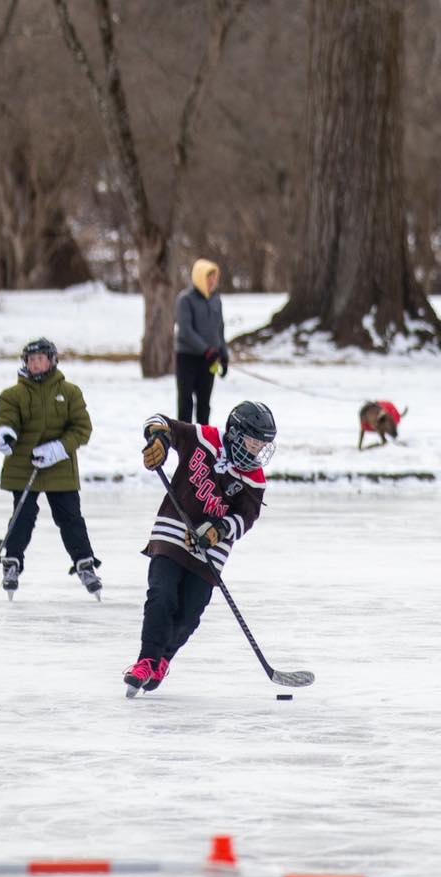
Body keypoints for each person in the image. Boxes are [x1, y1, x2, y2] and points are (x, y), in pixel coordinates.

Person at [123, 400, 277, 696]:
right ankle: (145, 660)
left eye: (261, 445)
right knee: (161, 596)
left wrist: (219, 531)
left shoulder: (254, 479)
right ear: (234, 432)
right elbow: (161, 421)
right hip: (172, 534)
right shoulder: (203, 438)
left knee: (189, 613)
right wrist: (159, 439)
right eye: (252, 440)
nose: (256, 449)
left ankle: (163, 659)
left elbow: (246, 518)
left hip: (210, 554)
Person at [0, 337, 102, 598]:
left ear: (51, 361)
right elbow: (6, 420)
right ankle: (12, 562)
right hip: (24, 465)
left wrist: (58, 449)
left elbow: (82, 429)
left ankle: (84, 562)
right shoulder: (12, 395)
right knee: (22, 516)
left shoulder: (70, 392)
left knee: (70, 517)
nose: (36, 364)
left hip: (59, 467)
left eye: (41, 359)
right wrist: (4, 434)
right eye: (31, 360)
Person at [175, 257, 228, 425]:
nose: (212, 281)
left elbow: (219, 329)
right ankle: (184, 440)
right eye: (208, 277)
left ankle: (204, 441)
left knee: (204, 404)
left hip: (209, 360)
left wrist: (223, 354)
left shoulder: (216, 300)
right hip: (187, 358)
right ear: (199, 277)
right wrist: (206, 349)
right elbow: (185, 330)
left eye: (214, 277)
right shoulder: (185, 299)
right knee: (186, 402)